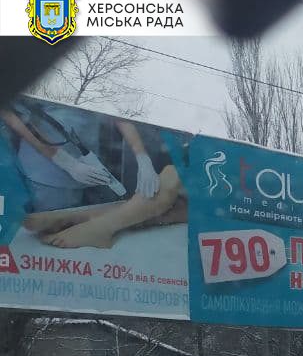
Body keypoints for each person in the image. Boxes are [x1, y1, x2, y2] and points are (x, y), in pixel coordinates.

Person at [1, 101, 187, 249]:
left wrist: (142, 157)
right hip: (46, 165)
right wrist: (64, 161)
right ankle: (78, 220)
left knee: (171, 199)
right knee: (168, 192)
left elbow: (117, 106)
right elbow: (9, 111)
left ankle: (89, 224)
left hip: (88, 154)